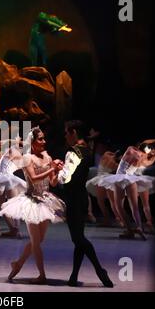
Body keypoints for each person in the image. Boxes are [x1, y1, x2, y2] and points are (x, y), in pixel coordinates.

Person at [0, 127, 65, 284]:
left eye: (44, 138)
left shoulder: (47, 156)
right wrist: (51, 168)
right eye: (40, 139)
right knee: (36, 241)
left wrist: (57, 171)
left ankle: (18, 264)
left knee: (39, 240)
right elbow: (34, 178)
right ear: (33, 142)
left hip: (45, 201)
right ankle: (42, 275)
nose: (44, 141)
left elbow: (52, 182)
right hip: (31, 202)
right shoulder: (27, 158)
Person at [56, 120, 113, 287]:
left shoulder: (73, 151)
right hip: (81, 197)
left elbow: (65, 179)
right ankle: (74, 277)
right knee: (78, 239)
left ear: (73, 133)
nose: (65, 135)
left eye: (67, 132)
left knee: (79, 239)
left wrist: (58, 170)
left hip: (73, 198)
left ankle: (100, 270)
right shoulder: (86, 150)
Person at [99, 139, 155, 239]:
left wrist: (154, 141)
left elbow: (141, 145)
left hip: (120, 178)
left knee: (119, 206)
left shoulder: (131, 150)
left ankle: (129, 230)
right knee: (135, 207)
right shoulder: (142, 159)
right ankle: (139, 227)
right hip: (131, 180)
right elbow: (149, 161)